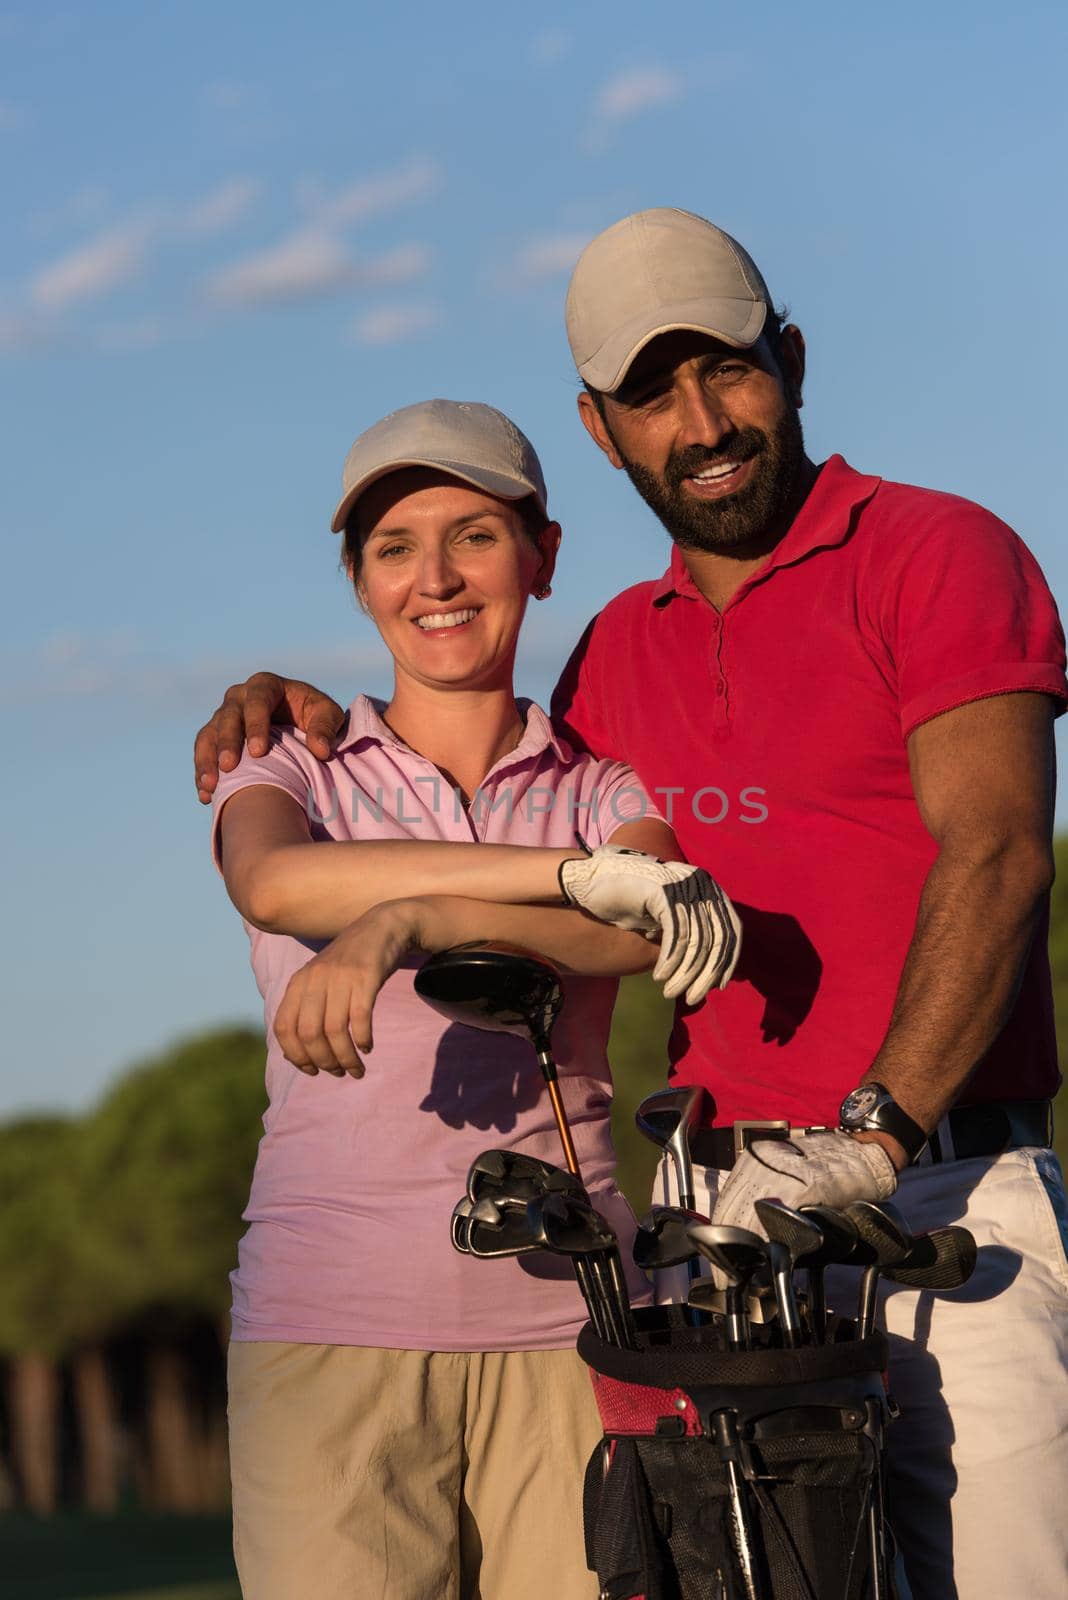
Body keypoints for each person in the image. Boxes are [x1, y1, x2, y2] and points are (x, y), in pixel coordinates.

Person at [195, 209, 1068, 1599]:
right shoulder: (615, 659)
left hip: (944, 1184)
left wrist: (875, 1131)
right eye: (652, 394)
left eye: (727, 370)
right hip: (715, 1224)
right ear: (603, 433)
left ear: (786, 359)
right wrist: (287, 704)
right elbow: (509, 813)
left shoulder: (936, 551)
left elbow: (1003, 854)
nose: (703, 419)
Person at [207, 395, 740, 1600]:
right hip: (327, 1333)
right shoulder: (289, 765)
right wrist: (561, 878)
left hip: (576, 1330)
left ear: (542, 558)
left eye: (477, 536)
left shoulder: (605, 786)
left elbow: (643, 924)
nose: (435, 578)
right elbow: (280, 880)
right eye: (394, 547)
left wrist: (412, 920)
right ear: (357, 583)